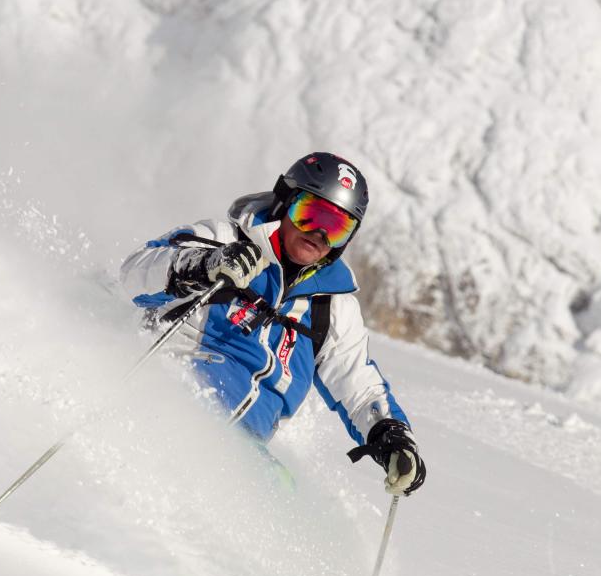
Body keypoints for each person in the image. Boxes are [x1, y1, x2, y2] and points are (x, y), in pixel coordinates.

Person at [120, 152, 425, 496]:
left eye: (337, 228)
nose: (320, 234)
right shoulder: (223, 240)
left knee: (287, 501)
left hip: (240, 453)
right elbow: (132, 275)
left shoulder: (332, 307)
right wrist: (203, 265)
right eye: (311, 214)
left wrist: (390, 434)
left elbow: (359, 384)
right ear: (285, 202)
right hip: (162, 397)